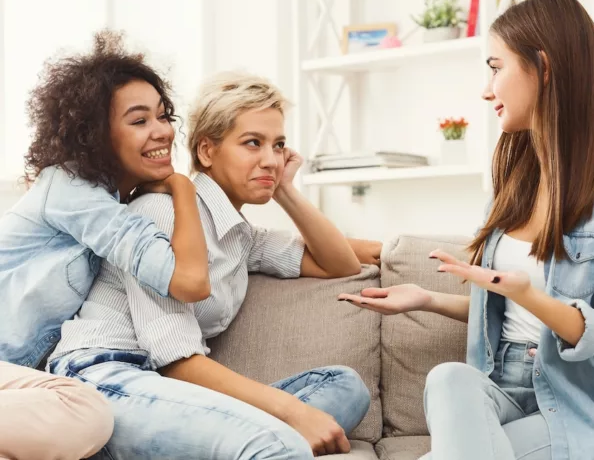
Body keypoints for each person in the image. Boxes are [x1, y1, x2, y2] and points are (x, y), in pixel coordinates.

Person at [339, 0, 594, 460]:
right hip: (501, 387)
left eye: (496, 68)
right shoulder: (515, 180)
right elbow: (507, 298)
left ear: (543, 66)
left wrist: (529, 296)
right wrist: (427, 300)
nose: (486, 89)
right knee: (448, 377)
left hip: (576, 404)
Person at [48, 71, 372, 460]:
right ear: (206, 151)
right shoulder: (164, 212)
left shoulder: (241, 236)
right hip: (104, 378)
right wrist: (291, 411)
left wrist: (284, 188)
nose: (270, 159)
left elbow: (340, 264)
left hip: (158, 389)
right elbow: (176, 361)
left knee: (344, 386)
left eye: (279, 145)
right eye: (253, 143)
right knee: (280, 443)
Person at [0, 30, 210, 459]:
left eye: (163, 115)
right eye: (139, 121)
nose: (162, 132)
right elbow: (190, 282)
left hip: (15, 380)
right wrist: (183, 187)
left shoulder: (120, 203)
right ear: (96, 135)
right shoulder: (70, 189)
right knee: (85, 414)